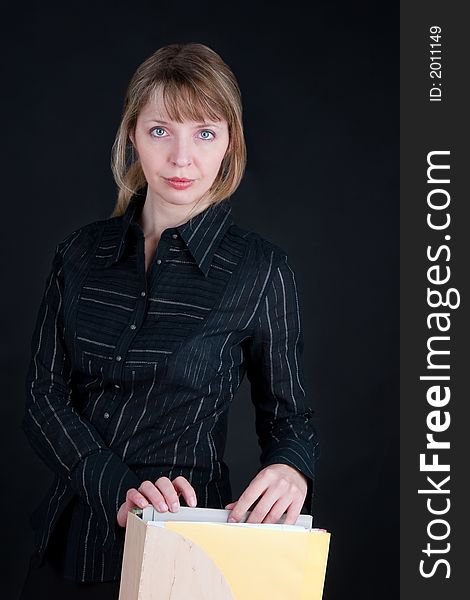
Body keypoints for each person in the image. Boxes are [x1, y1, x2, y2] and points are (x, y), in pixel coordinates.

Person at [19, 42, 318, 597]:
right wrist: (115, 491)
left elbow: (290, 418)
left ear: (230, 142)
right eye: (161, 130)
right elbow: (42, 397)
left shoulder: (261, 269)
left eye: (205, 132)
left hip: (192, 553)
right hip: (73, 544)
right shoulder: (79, 254)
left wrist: (292, 468)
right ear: (132, 134)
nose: (182, 159)